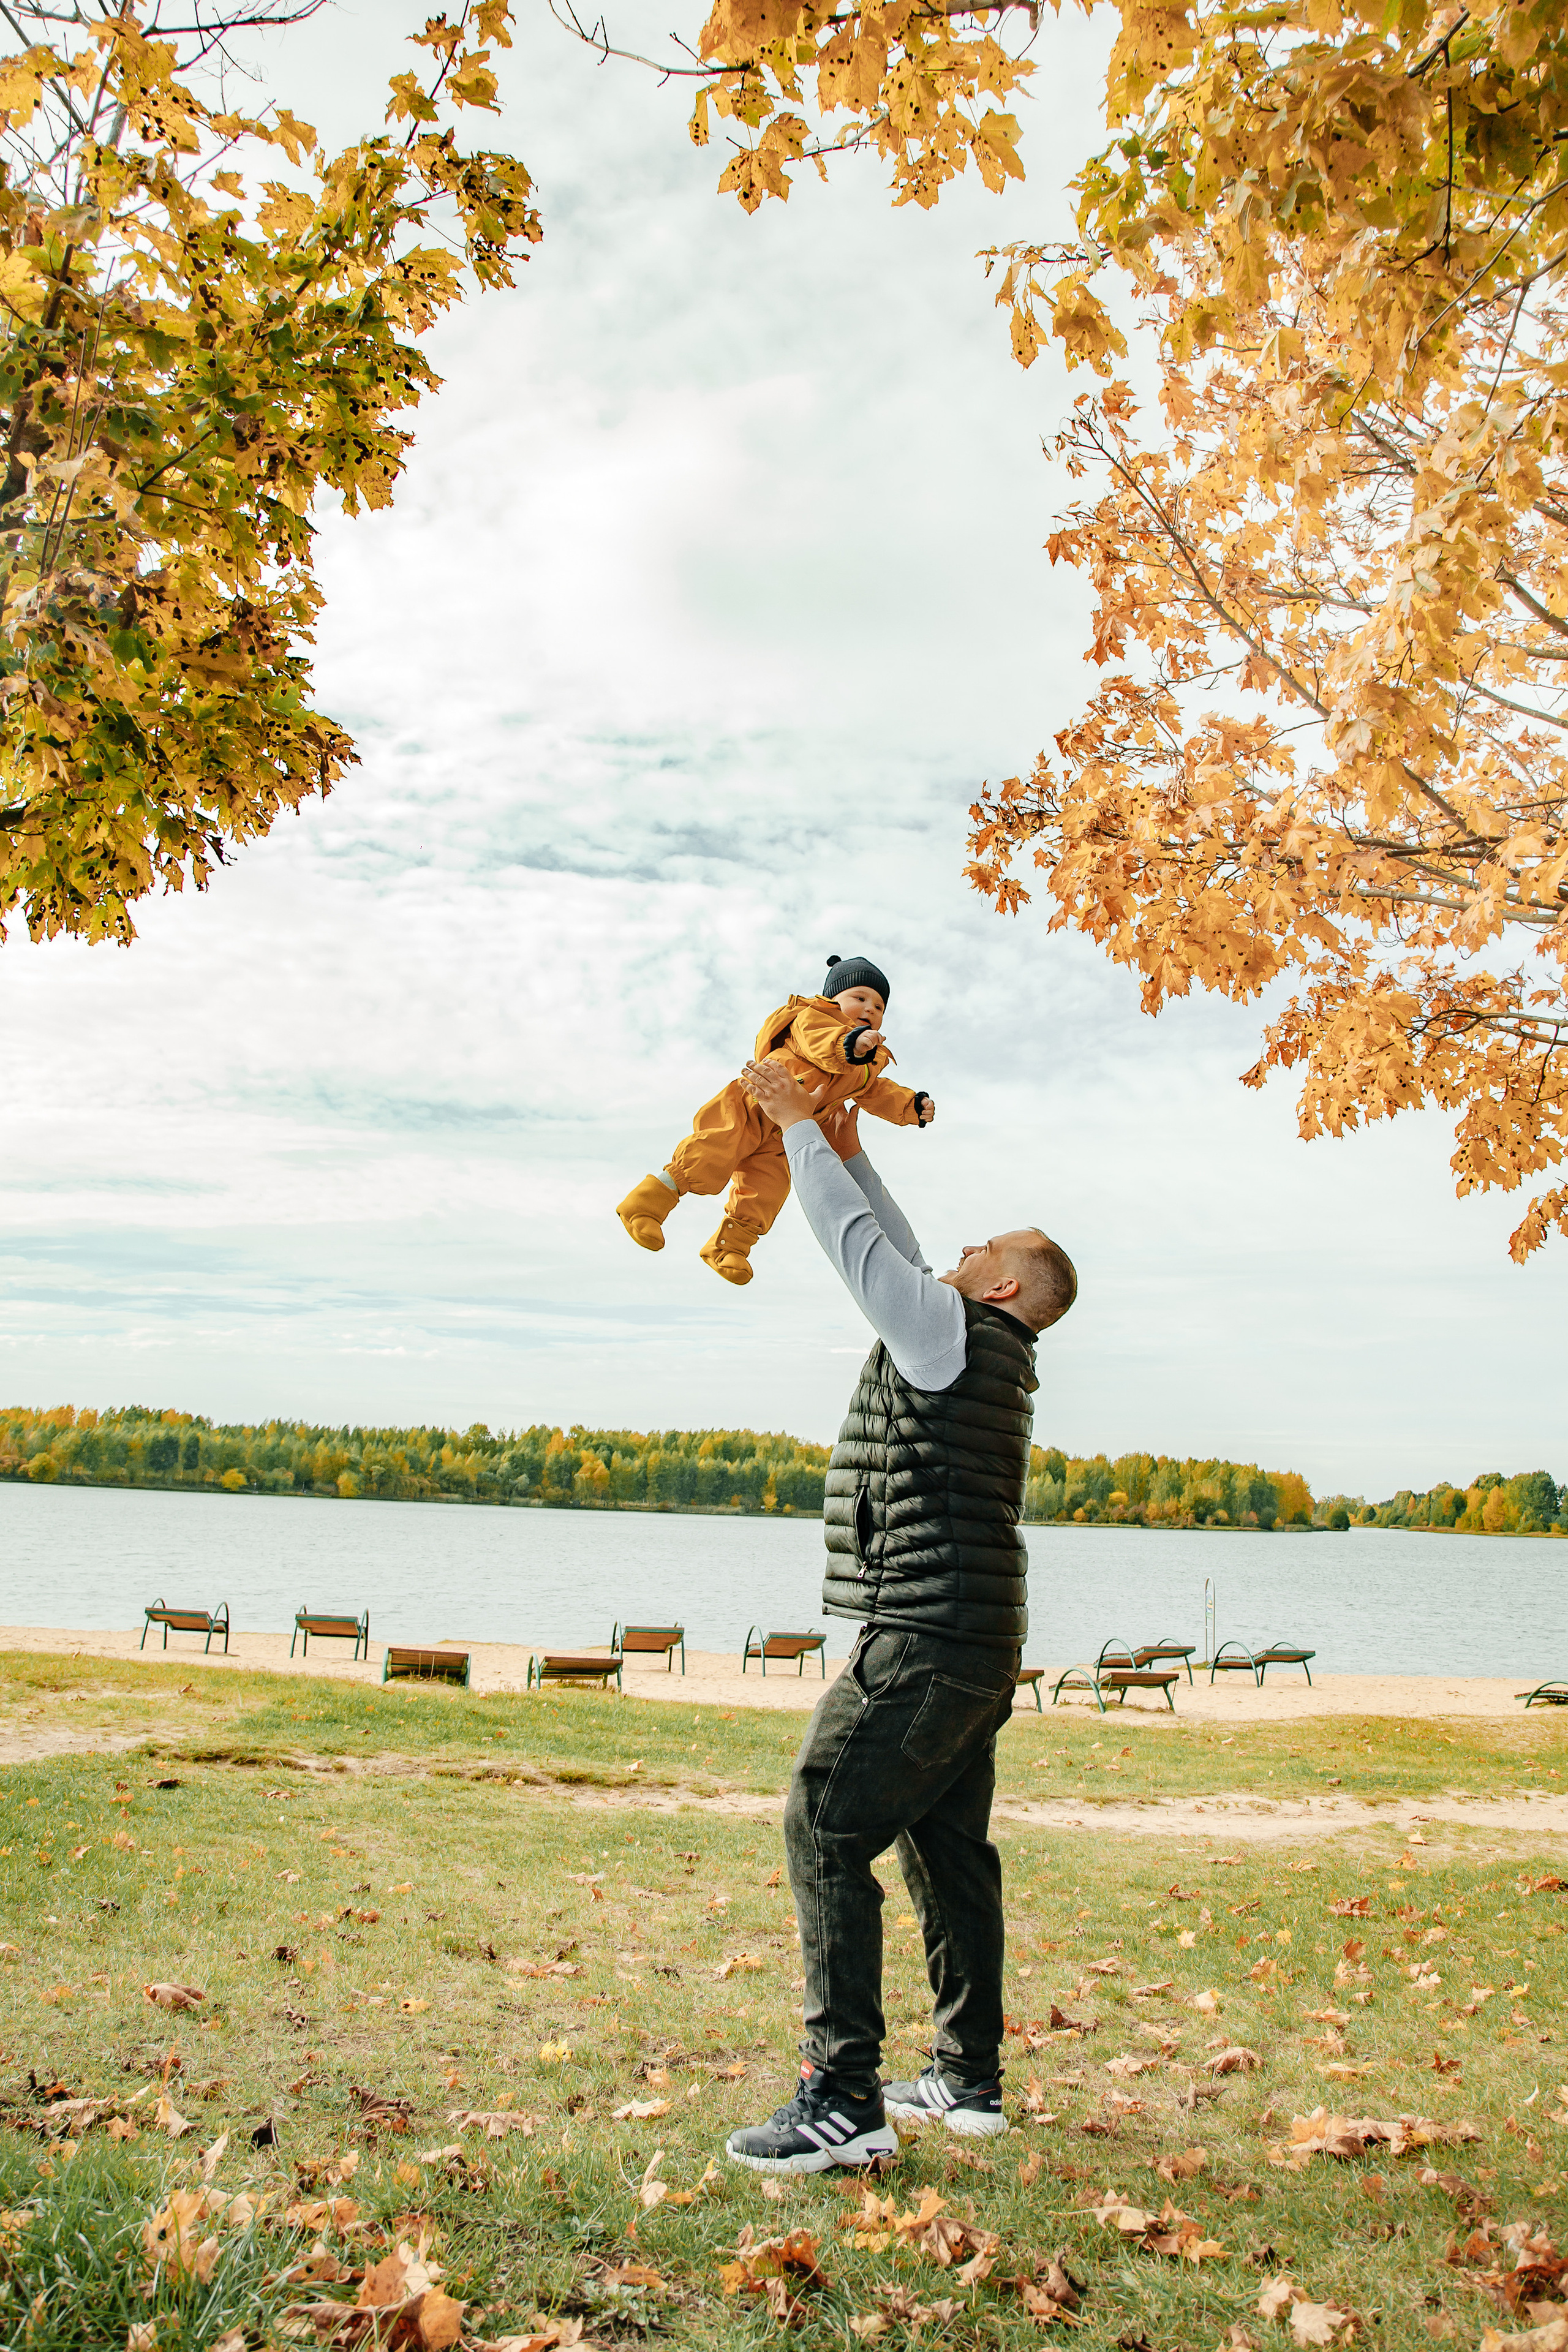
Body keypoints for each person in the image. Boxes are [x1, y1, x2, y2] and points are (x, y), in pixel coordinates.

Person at [722, 1054, 1077, 2176]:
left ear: (1005, 1288)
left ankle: (844, 2097)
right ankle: (967, 2083)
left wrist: (798, 1133)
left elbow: (858, 1250)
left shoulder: (947, 1334)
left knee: (823, 1824)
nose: (962, 1251)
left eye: (985, 1250)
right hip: (977, 1641)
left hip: (926, 1638)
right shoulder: (985, 1346)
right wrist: (854, 1144)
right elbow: (901, 1246)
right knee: (947, 1850)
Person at [614, 954, 935, 1287]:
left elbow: (878, 1092)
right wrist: (850, 1044)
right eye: (860, 998)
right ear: (833, 999)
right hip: (755, 1102)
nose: (870, 1009)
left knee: (767, 1190)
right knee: (710, 1154)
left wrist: (911, 1105)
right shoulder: (812, 1018)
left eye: (880, 1007)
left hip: (787, 1130)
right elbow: (819, 1046)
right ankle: (646, 1205)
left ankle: (729, 1248)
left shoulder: (868, 1064)